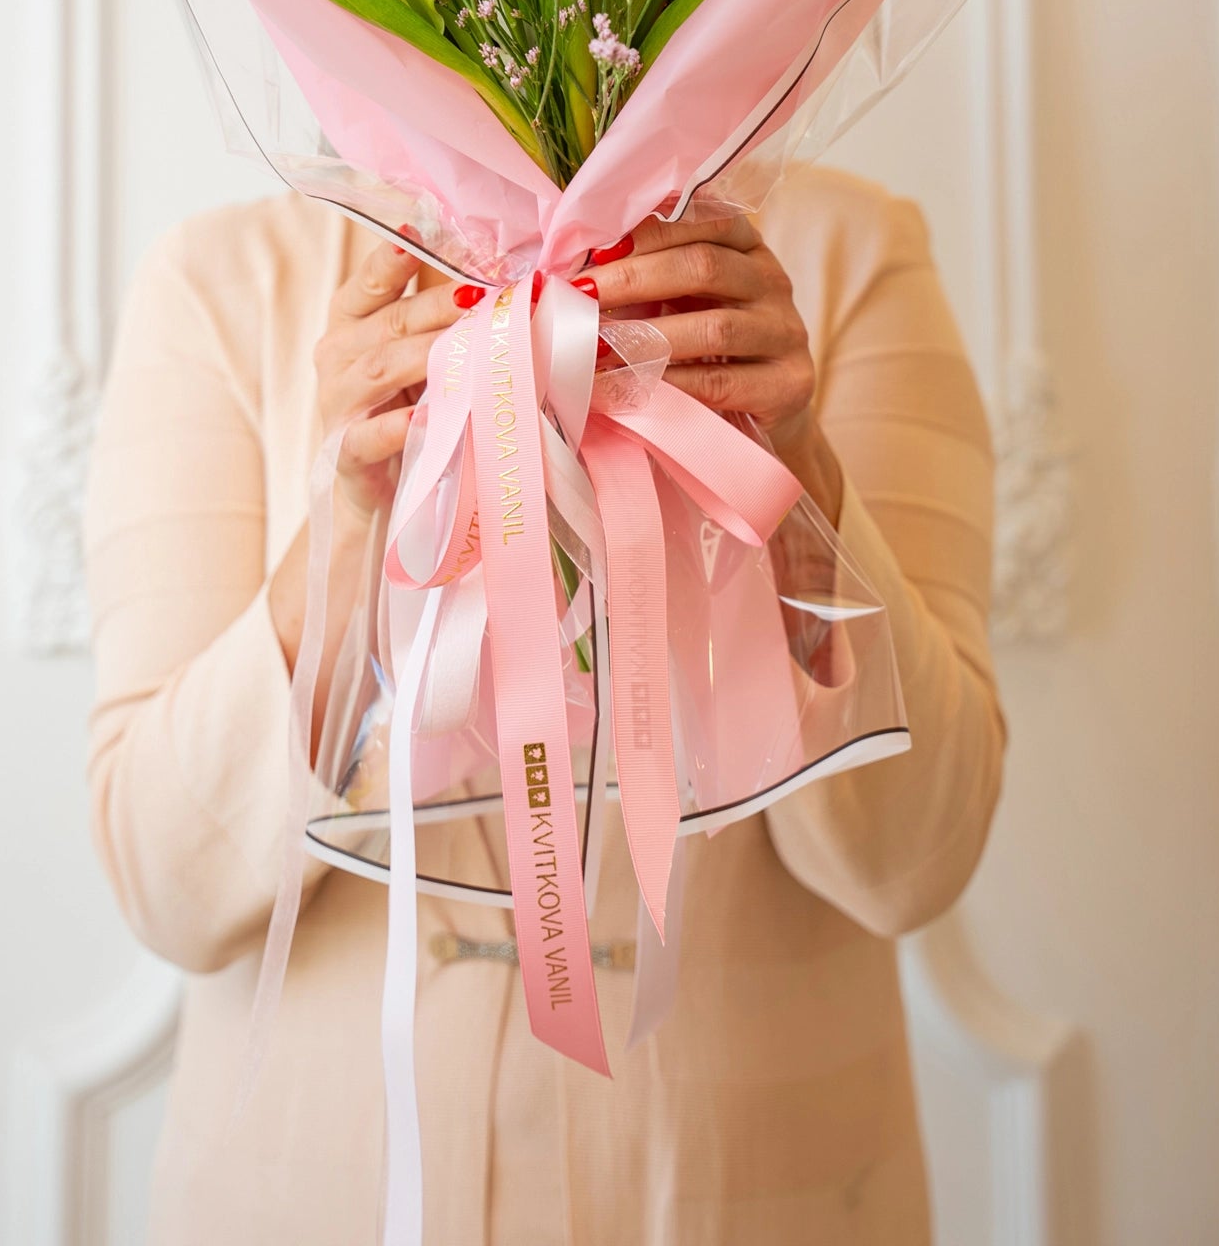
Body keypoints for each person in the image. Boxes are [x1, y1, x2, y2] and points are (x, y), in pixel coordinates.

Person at [83, 165, 1003, 1244]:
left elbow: (919, 855)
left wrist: (786, 464)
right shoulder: (221, 282)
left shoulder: (840, 256)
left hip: (753, 1198)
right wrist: (353, 515)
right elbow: (163, 877)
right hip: (311, 1197)